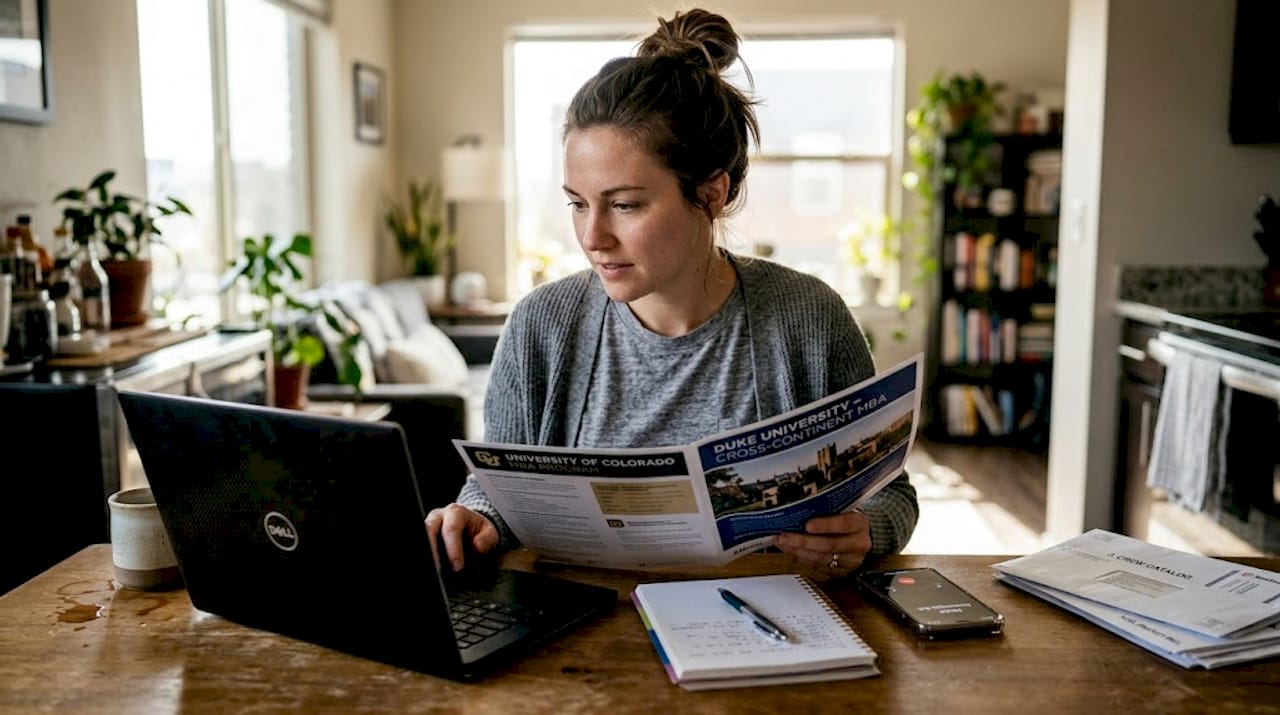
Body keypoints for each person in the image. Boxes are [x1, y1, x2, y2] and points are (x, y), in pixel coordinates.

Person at [427, 7, 918, 574]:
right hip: (586, 619)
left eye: (625, 205)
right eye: (578, 204)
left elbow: (893, 495)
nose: (593, 237)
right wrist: (477, 517)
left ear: (711, 194)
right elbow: (496, 492)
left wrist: (865, 532)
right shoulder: (542, 324)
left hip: (765, 615)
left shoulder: (808, 318)